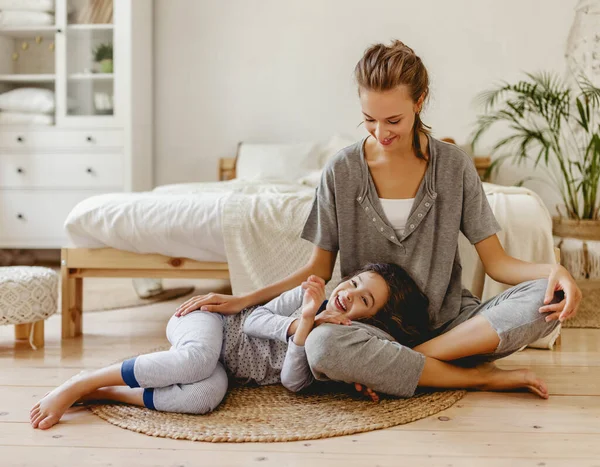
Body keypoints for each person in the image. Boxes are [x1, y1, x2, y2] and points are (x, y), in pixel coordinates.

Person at [176, 40, 582, 399]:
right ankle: (477, 378)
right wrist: (244, 298)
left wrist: (554, 270)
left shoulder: (454, 166)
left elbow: (498, 264)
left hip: (450, 325)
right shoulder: (341, 170)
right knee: (322, 347)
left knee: (546, 300)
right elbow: (318, 269)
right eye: (369, 118)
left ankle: (412, 362)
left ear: (419, 101)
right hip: (370, 331)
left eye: (393, 121)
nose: (380, 132)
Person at [29, 262, 427, 430]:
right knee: (196, 360)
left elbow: (291, 382)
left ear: (368, 321)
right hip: (213, 323)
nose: (349, 295)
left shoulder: (333, 341)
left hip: (228, 370)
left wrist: (307, 330)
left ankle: (108, 393)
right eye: (354, 283)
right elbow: (253, 319)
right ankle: (83, 381)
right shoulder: (311, 295)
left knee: (203, 396)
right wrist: (302, 316)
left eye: (364, 302)